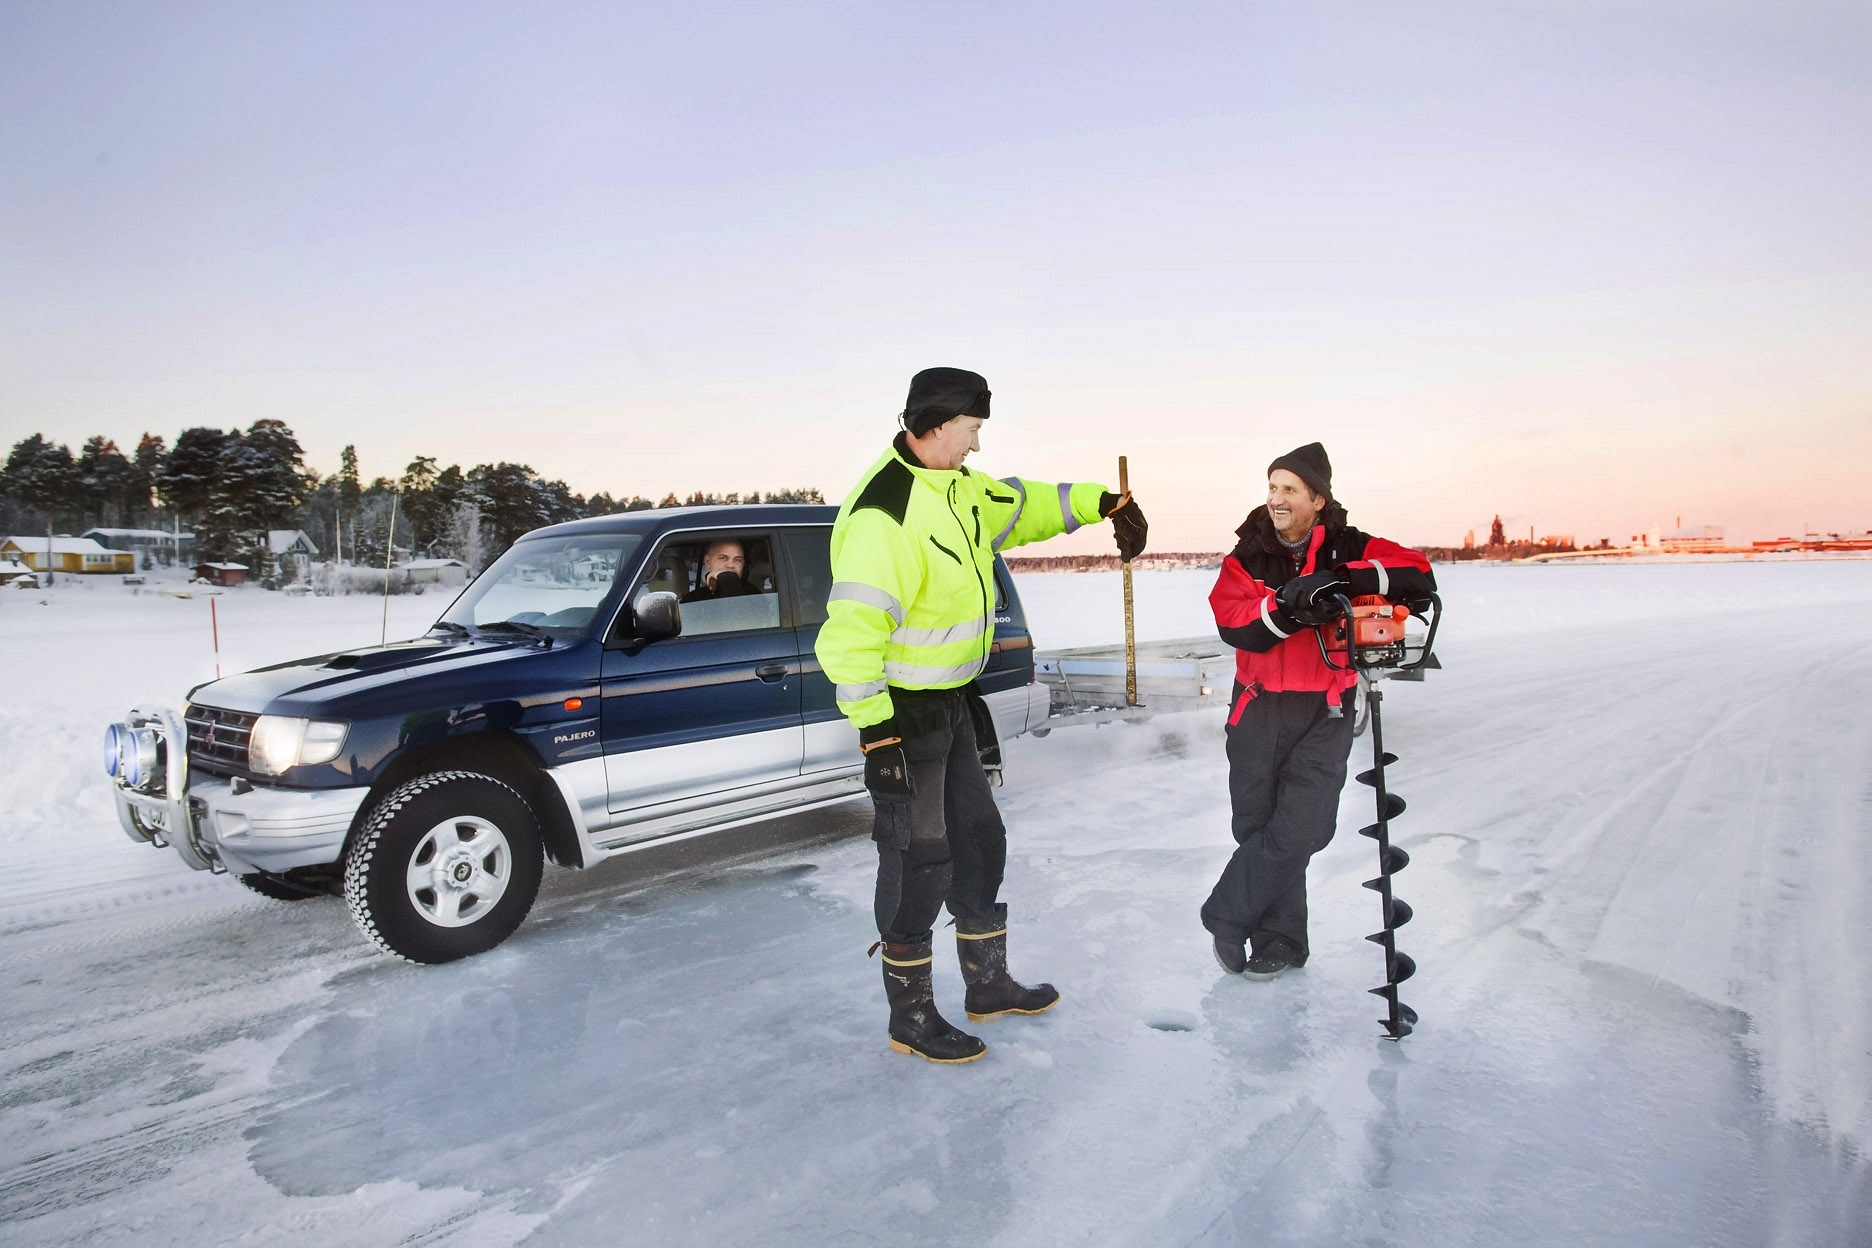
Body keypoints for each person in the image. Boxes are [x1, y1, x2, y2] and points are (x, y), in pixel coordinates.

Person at [817, 366, 1148, 1063]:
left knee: (980, 839)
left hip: (955, 703)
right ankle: (910, 1016)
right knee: (919, 859)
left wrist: (1105, 503)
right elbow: (848, 640)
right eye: (971, 430)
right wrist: (878, 734)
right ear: (936, 425)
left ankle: (987, 985)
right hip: (904, 712)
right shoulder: (884, 515)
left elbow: (1025, 505)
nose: (976, 445)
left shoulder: (962, 487)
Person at [1202, 442, 1435, 980]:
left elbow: (1418, 572)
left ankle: (1226, 913)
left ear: (1317, 498)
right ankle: (1281, 942)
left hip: (1325, 706)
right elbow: (1236, 624)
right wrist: (1288, 602)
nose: (1276, 499)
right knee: (1257, 823)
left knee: (1303, 827)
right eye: (1272, 488)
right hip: (1257, 708)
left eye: (1289, 489)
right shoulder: (1247, 556)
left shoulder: (1353, 545)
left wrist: (1342, 580)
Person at [681, 539, 757, 602]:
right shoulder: (692, 601)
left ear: (743, 564)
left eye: (738, 560)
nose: (731, 565)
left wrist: (726, 579)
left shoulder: (755, 596)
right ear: (708, 562)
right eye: (723, 558)